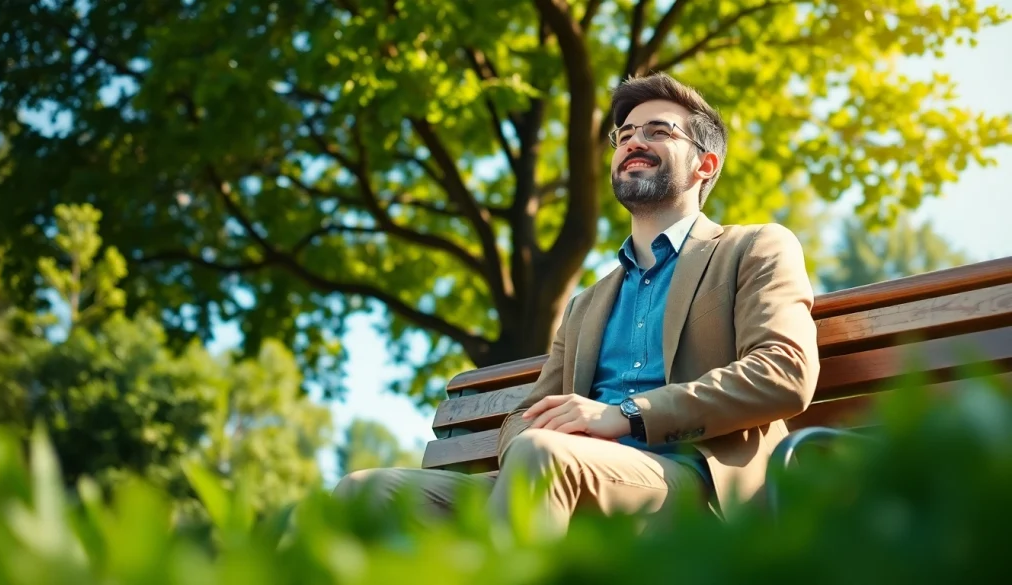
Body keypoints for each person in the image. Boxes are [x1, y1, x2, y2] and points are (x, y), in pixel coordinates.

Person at [334, 73, 820, 535]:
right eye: (624, 133)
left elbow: (783, 372)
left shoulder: (754, 247)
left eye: (658, 131)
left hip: (694, 490)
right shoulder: (587, 303)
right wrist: (538, 432)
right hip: (559, 471)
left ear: (704, 164)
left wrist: (627, 414)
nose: (633, 141)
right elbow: (528, 415)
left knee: (542, 458)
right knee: (366, 492)